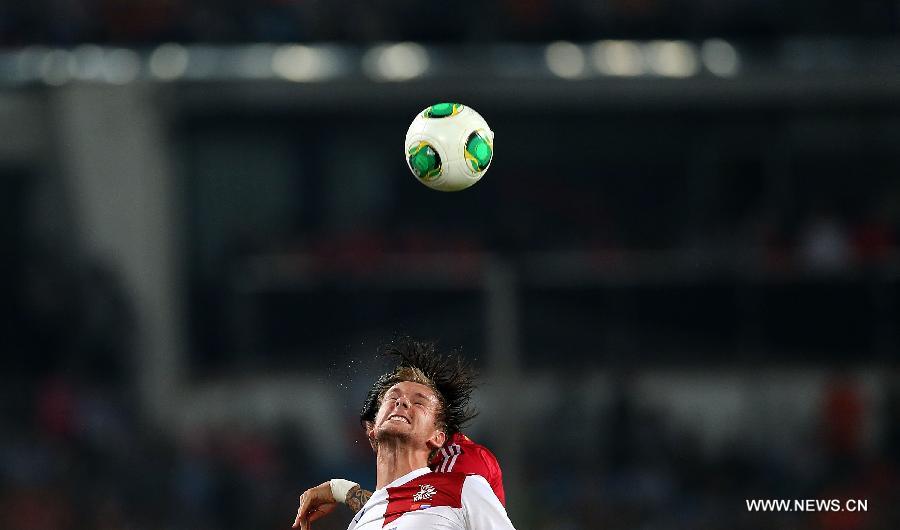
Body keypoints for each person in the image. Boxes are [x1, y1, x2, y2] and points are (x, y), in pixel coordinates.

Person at [292, 338, 515, 530]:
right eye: (392, 398)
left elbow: (424, 505)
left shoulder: (463, 474)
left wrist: (342, 490)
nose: (401, 402)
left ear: (439, 436)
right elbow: (400, 506)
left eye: (419, 401)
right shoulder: (363, 520)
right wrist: (341, 489)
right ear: (372, 430)